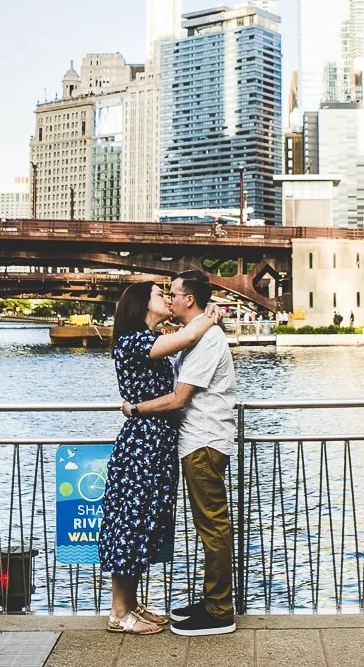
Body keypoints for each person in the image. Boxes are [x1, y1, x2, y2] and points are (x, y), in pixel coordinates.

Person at [100, 281, 223, 635]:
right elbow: (188, 336)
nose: (166, 299)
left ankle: (131, 604)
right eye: (159, 295)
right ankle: (119, 612)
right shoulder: (134, 341)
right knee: (129, 523)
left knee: (143, 524)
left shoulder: (149, 340)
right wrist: (211, 314)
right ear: (142, 305)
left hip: (156, 443)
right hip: (142, 444)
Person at [124, 271, 238, 637]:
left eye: (172, 293)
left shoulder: (206, 340)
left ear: (189, 299)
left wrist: (135, 409)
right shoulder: (196, 334)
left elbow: (179, 398)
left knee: (213, 526)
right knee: (208, 525)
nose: (169, 299)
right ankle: (211, 601)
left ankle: (220, 611)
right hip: (198, 441)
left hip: (204, 442)